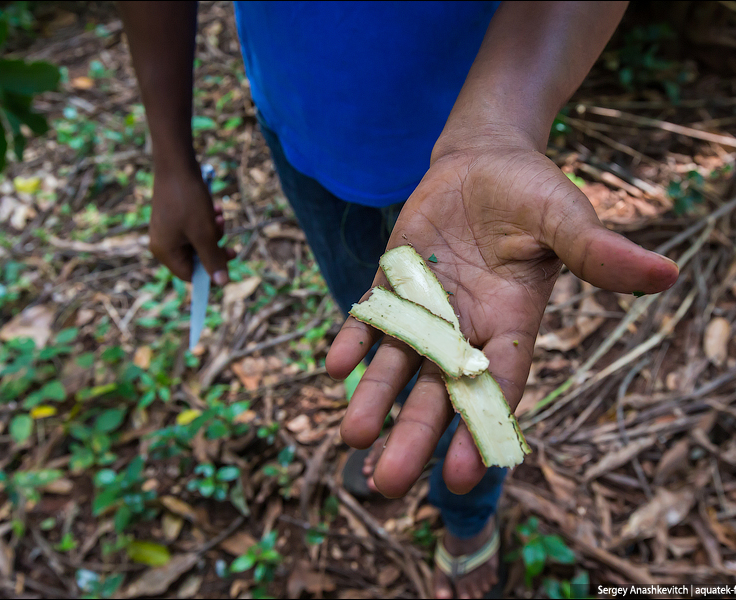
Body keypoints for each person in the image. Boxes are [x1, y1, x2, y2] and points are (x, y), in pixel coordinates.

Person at [118, 2, 679, 598]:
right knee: (364, 312)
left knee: (468, 378)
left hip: (474, 121)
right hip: (303, 117)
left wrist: (499, 129)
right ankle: (406, 431)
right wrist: (171, 153)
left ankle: (468, 517)